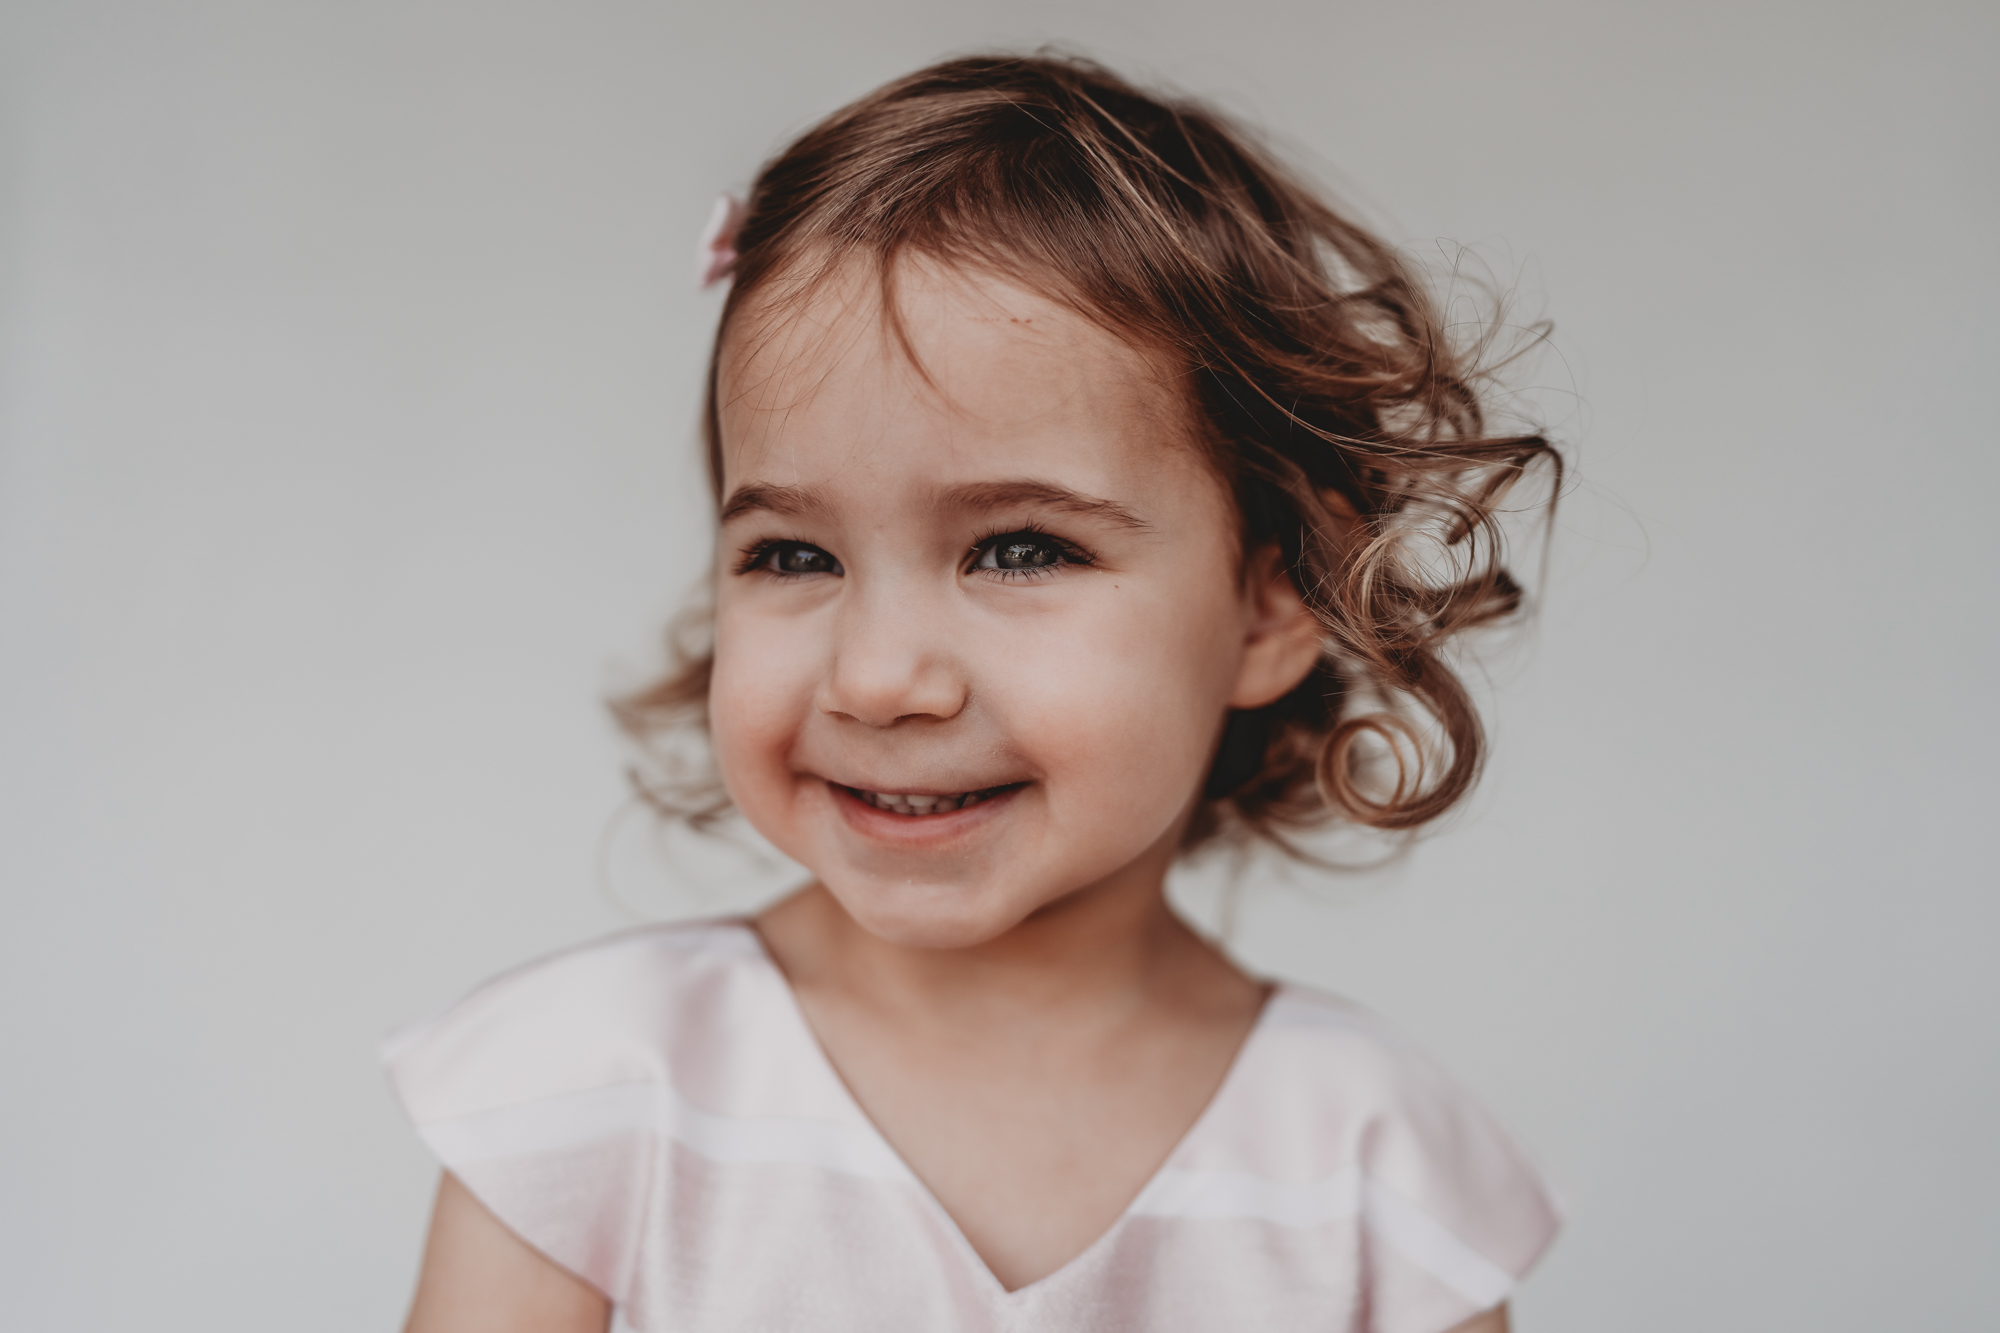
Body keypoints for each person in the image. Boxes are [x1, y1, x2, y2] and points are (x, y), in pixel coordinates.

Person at [387, 53, 1562, 1333]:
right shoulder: (598, 1094)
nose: (878, 676)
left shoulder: (1370, 1176)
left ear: (1268, 605)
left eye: (1019, 548)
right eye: (794, 554)